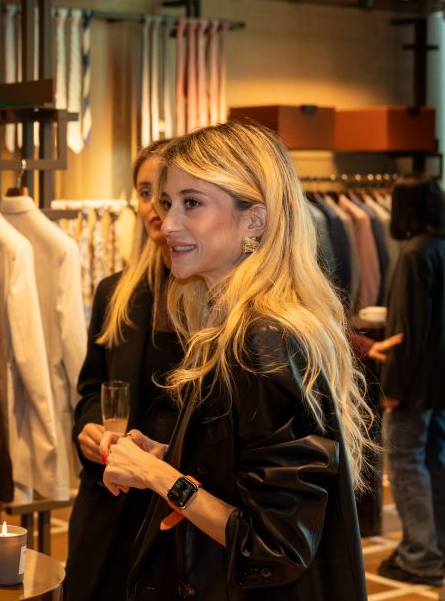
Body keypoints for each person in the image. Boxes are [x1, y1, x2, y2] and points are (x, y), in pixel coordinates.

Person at [102, 121, 372, 599]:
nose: (168, 223)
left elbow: (274, 546)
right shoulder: (232, 326)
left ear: (255, 220)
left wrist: (160, 477)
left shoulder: (264, 340)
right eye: (167, 203)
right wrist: (177, 455)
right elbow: (250, 474)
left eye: (192, 203)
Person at [65, 140, 182, 601]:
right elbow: (92, 387)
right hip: (111, 502)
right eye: (145, 191)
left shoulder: (221, 299)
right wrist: (89, 428)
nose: (155, 205)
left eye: (167, 192)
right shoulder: (116, 292)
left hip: (178, 503)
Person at [375, 175, 445, 586]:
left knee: (405, 463)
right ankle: (434, 547)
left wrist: (393, 388)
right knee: (433, 459)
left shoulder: (414, 253)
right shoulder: (438, 247)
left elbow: (406, 329)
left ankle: (420, 554)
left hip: (415, 385)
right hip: (438, 383)